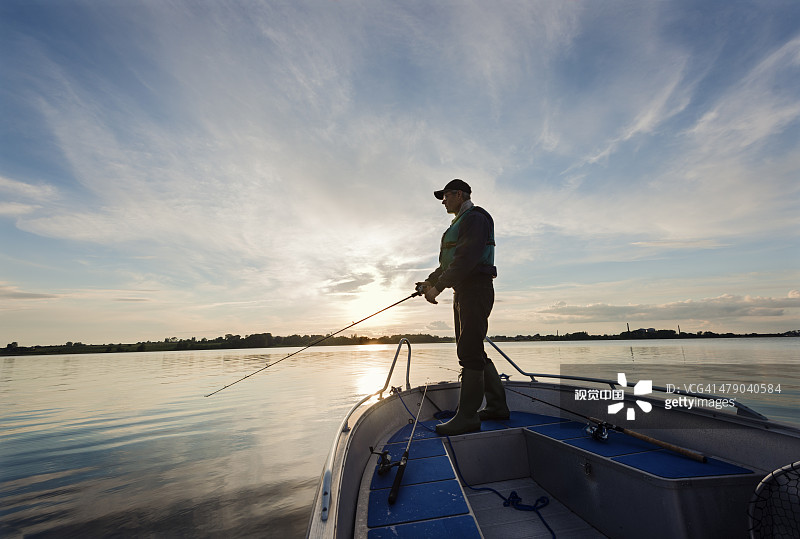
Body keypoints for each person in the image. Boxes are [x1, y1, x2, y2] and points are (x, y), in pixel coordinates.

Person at [417, 179, 509, 436]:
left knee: (468, 351)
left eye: (445, 196)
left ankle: (467, 417)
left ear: (459, 194)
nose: (443, 201)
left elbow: (466, 259)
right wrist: (430, 282)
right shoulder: (460, 222)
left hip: (476, 290)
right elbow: (450, 263)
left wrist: (439, 288)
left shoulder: (475, 218)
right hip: (464, 291)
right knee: (473, 349)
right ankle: (497, 407)